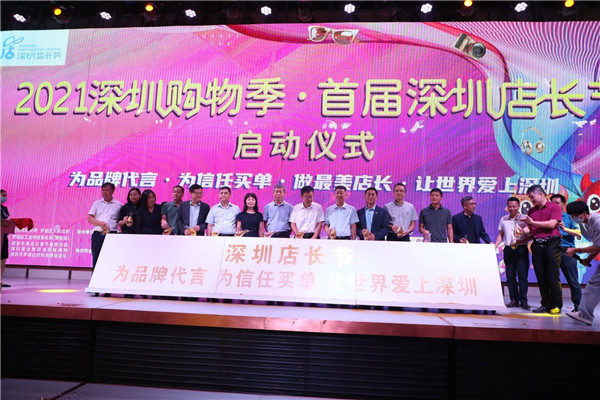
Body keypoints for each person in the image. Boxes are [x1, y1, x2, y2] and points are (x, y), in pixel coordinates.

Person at [521, 185, 562, 314]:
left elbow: (551, 224)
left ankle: (556, 304)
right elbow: (529, 228)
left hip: (551, 244)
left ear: (541, 194)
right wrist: (522, 231)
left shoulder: (554, 207)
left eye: (532, 197)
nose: (531, 200)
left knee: (552, 275)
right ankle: (545, 304)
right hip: (537, 245)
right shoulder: (532, 210)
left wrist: (533, 223)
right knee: (541, 276)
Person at [565, 200, 600, 325]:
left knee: (593, 286)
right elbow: (597, 245)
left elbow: (598, 246)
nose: (574, 219)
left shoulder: (596, 221)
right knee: (594, 285)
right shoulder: (589, 223)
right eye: (572, 217)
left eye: (575, 216)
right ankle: (584, 314)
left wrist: (576, 250)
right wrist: (588, 259)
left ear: (584, 212)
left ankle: (584, 315)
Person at [494, 197, 531, 309]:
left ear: (518, 206)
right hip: (508, 249)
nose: (512, 208)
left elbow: (530, 234)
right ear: (507, 207)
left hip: (521, 249)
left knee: (522, 276)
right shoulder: (504, 219)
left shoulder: (524, 219)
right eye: (510, 206)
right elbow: (501, 234)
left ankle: (523, 300)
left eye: (514, 206)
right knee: (510, 276)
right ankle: (513, 300)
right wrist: (495, 246)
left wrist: (522, 239)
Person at [550, 194, 583, 312]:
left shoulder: (569, 217)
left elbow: (578, 233)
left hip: (567, 251)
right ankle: (555, 305)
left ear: (564, 204)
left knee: (572, 280)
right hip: (552, 250)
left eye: (557, 203)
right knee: (552, 280)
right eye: (552, 203)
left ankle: (578, 305)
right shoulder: (549, 217)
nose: (554, 205)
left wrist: (564, 229)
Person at [88, 183, 122, 270]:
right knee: (96, 259)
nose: (105, 192)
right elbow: (90, 218)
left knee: (111, 259)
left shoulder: (119, 205)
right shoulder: (97, 203)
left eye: (107, 190)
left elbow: (120, 221)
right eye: (103, 190)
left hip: (112, 234)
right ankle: (95, 277)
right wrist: (100, 223)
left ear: (113, 191)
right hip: (98, 234)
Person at [1, 189, 15, 287]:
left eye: (5, 195)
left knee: (3, 259)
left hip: (3, 236)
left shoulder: (4, 209)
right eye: (3, 195)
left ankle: (0, 281)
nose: (4, 197)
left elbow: (7, 219)